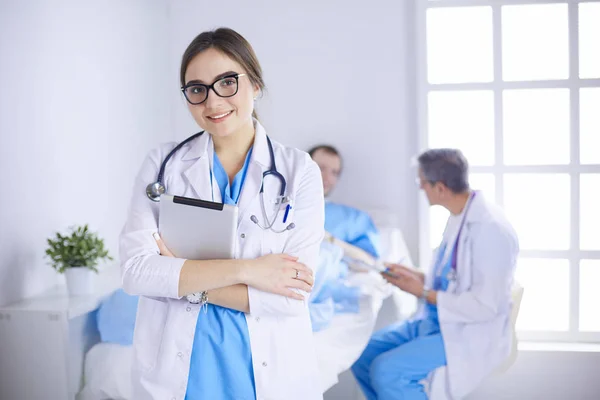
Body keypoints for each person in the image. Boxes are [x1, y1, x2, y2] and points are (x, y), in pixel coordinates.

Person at [119, 28, 324, 400]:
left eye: (227, 82)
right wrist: (252, 271)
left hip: (268, 377)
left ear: (256, 85)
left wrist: (182, 277)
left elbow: (289, 297)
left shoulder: (300, 172)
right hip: (179, 377)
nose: (212, 102)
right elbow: (136, 273)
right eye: (197, 89)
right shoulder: (163, 165)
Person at [351, 148, 519, 400]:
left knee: (387, 372)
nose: (421, 189)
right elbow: (453, 276)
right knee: (362, 355)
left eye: (423, 183)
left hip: (468, 331)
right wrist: (415, 276)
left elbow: (485, 306)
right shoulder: (459, 215)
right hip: (436, 319)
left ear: (440, 188)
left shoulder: (491, 230)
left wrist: (422, 291)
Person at [309, 145, 381, 260]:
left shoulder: (353, 218)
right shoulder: (283, 207)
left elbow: (370, 263)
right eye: (321, 168)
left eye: (334, 172)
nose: (327, 178)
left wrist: (329, 239)